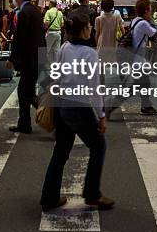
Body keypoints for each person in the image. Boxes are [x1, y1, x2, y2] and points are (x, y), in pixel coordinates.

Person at [40, 13, 114, 212]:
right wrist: (101, 116)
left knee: (61, 151)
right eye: (89, 26)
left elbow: (57, 73)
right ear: (83, 30)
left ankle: (49, 197)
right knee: (99, 146)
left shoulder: (64, 47)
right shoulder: (90, 53)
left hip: (62, 103)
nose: (91, 29)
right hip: (78, 106)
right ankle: (92, 194)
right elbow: (95, 88)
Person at [106, 0, 157, 119]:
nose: (151, 11)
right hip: (137, 61)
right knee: (132, 88)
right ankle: (108, 107)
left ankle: (146, 106)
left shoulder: (136, 20)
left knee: (144, 84)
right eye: (150, 9)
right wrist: (152, 21)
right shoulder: (144, 23)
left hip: (137, 60)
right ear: (146, 10)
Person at [8, 0, 46, 134]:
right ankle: (25, 123)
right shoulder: (35, 11)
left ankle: (54, 116)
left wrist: (12, 58)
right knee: (26, 92)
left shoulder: (24, 12)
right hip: (38, 56)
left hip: (30, 59)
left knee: (25, 92)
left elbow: (19, 38)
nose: (14, 0)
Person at [44, 0, 64, 64]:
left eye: (49, 4)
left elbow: (47, 23)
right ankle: (56, 63)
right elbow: (62, 24)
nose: (48, 5)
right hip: (58, 33)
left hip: (50, 32)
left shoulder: (48, 12)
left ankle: (48, 64)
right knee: (56, 50)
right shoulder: (59, 12)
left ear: (51, 4)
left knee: (47, 49)